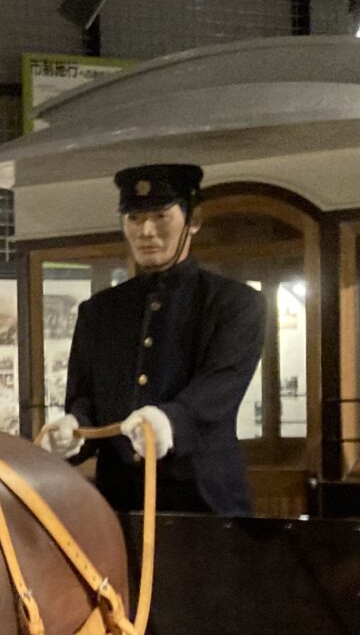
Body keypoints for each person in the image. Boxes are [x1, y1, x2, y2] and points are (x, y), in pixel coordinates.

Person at [44, 163, 265, 516]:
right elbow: (85, 398)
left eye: (161, 216)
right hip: (119, 505)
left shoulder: (233, 303)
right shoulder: (98, 311)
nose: (146, 231)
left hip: (205, 503)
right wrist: (72, 432)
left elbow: (219, 389)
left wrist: (170, 421)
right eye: (133, 218)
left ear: (193, 220)